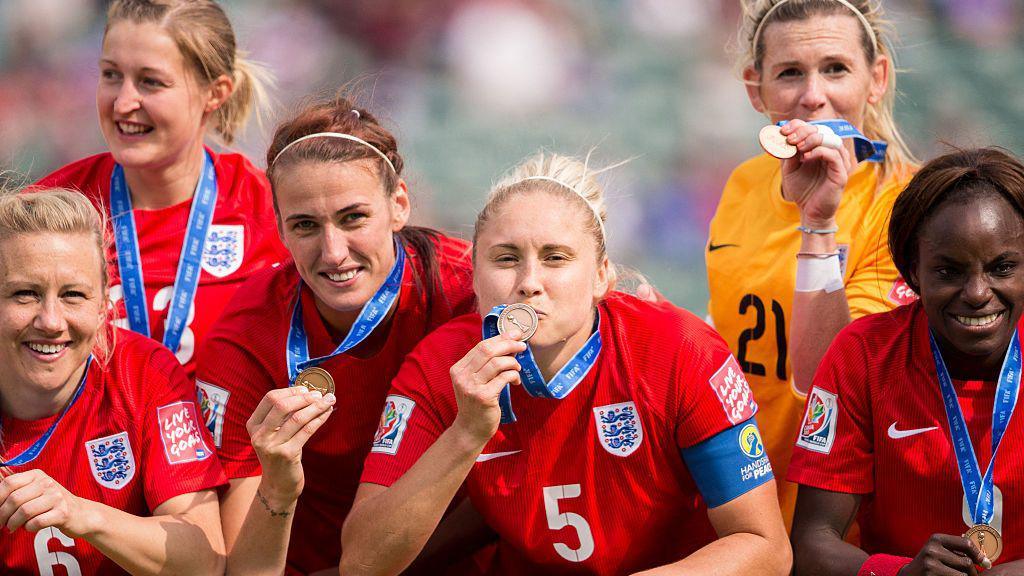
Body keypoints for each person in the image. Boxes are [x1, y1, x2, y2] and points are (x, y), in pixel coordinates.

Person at [341, 153, 792, 576]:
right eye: (505, 259)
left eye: (556, 258)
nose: (529, 283)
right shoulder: (440, 365)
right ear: (473, 276)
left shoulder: (678, 350)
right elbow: (361, 565)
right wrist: (465, 435)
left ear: (601, 276)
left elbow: (765, 546)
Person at [195, 94, 476, 575]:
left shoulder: (470, 290)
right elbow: (242, 569)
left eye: (353, 218)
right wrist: (279, 487)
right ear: (280, 230)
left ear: (399, 204)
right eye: (305, 225)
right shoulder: (244, 338)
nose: (332, 251)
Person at [705, 0, 919, 526]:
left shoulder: (910, 207)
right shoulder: (742, 183)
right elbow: (735, 331)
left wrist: (818, 225)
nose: (812, 95)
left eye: (836, 69)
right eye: (790, 73)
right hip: (744, 504)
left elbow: (832, 383)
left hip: (842, 523)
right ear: (756, 89)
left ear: (877, 78)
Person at [788, 148, 1024, 575]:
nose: (976, 292)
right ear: (912, 270)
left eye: (1002, 267)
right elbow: (810, 542)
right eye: (949, 271)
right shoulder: (862, 355)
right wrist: (898, 573)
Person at [34, 0, 288, 379]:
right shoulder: (49, 212)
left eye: (150, 82)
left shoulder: (269, 209)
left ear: (215, 92)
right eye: (111, 75)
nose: (122, 103)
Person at [0, 188, 226, 575]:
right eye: (25, 294)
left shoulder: (145, 374)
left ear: (105, 303)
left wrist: (81, 513)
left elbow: (204, 562)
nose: (51, 321)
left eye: (73, 295)